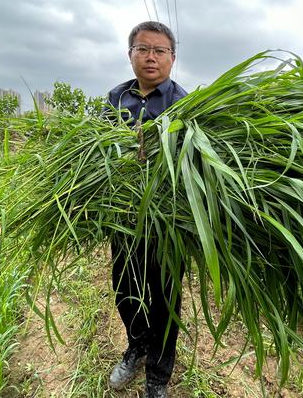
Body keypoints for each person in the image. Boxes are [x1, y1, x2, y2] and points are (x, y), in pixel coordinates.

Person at [106, 21, 187, 398]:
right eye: (143, 49)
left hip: (168, 225)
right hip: (123, 221)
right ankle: (136, 346)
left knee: (165, 299)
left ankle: (158, 374)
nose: (151, 57)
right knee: (125, 289)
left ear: (172, 57)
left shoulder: (184, 104)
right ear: (131, 55)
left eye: (159, 50)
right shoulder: (115, 99)